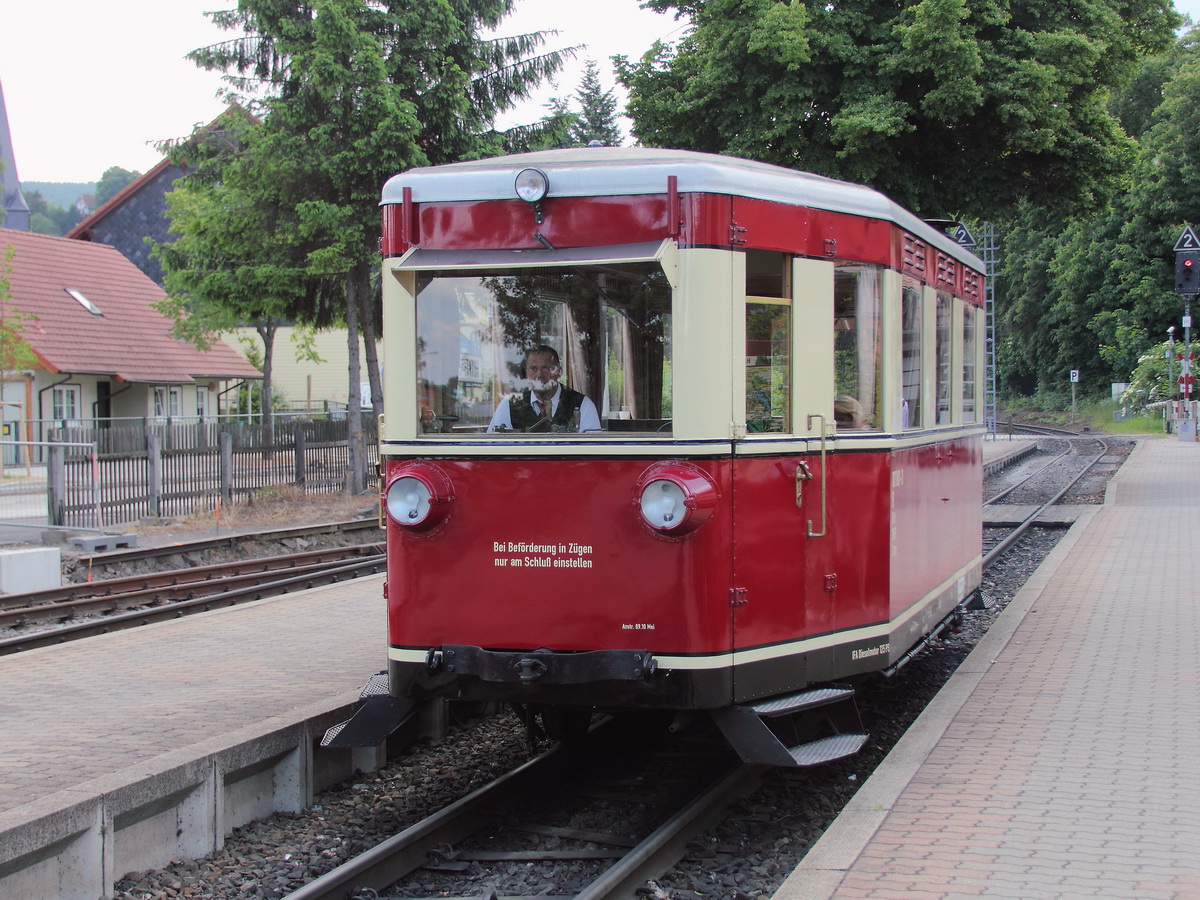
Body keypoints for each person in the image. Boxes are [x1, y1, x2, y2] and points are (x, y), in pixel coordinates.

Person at [488, 345, 601, 432]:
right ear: (526, 373)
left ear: (559, 372)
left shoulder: (583, 405)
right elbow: (492, 450)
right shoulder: (509, 404)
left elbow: (594, 454)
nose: (539, 375)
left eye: (546, 368)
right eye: (533, 369)